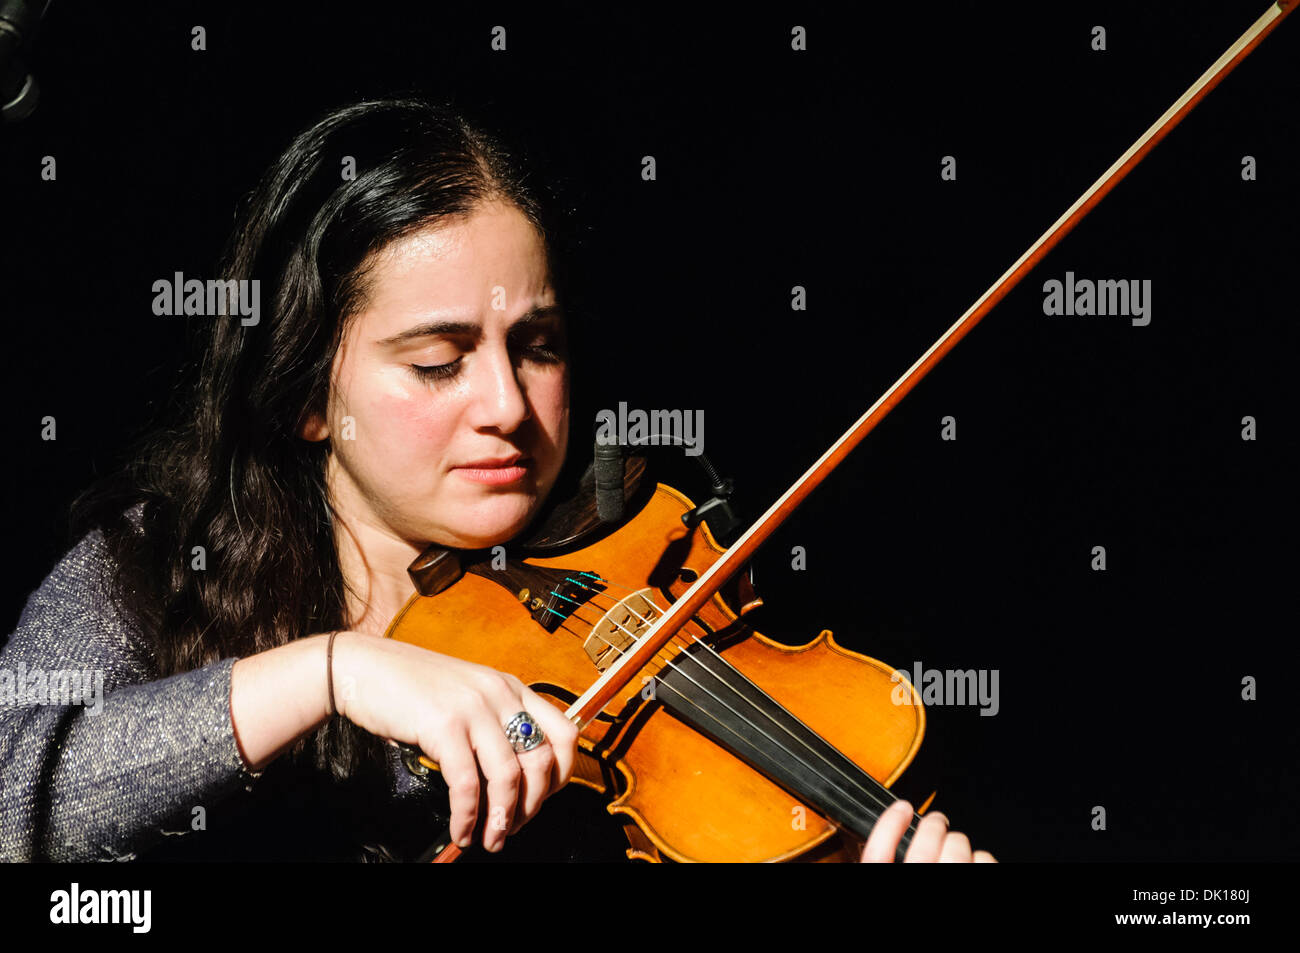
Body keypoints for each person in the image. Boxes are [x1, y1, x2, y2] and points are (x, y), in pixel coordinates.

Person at [0, 98, 994, 864]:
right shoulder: (158, 560)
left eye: (538, 346)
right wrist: (333, 667)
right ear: (306, 393)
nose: (508, 407)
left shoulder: (645, 557)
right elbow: (13, 802)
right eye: (438, 361)